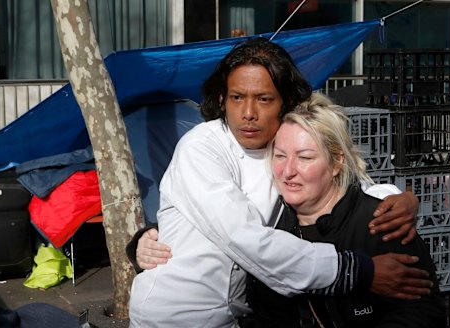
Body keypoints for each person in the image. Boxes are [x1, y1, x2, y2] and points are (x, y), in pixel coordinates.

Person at [128, 37, 429, 328]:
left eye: (263, 99)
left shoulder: (277, 141)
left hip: (230, 318)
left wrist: (394, 198)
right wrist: (359, 270)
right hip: (171, 317)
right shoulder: (201, 147)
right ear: (221, 100)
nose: (248, 114)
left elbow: (343, 176)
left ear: (285, 103)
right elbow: (241, 235)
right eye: (237, 98)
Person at [244, 93, 446, 328]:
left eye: (305, 157)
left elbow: (420, 315)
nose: (288, 171)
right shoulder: (267, 224)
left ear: (337, 162)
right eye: (279, 156)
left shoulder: (385, 224)